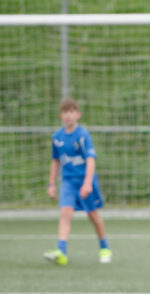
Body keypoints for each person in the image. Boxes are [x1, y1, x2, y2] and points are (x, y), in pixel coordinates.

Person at [44, 98, 112, 266]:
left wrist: (87, 183)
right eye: (65, 112)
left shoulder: (82, 135)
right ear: (61, 115)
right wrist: (51, 184)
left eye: (72, 112)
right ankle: (61, 252)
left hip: (85, 181)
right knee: (65, 213)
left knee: (93, 215)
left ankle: (104, 247)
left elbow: (90, 160)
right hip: (68, 182)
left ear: (78, 115)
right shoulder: (57, 137)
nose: (69, 115)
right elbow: (55, 161)